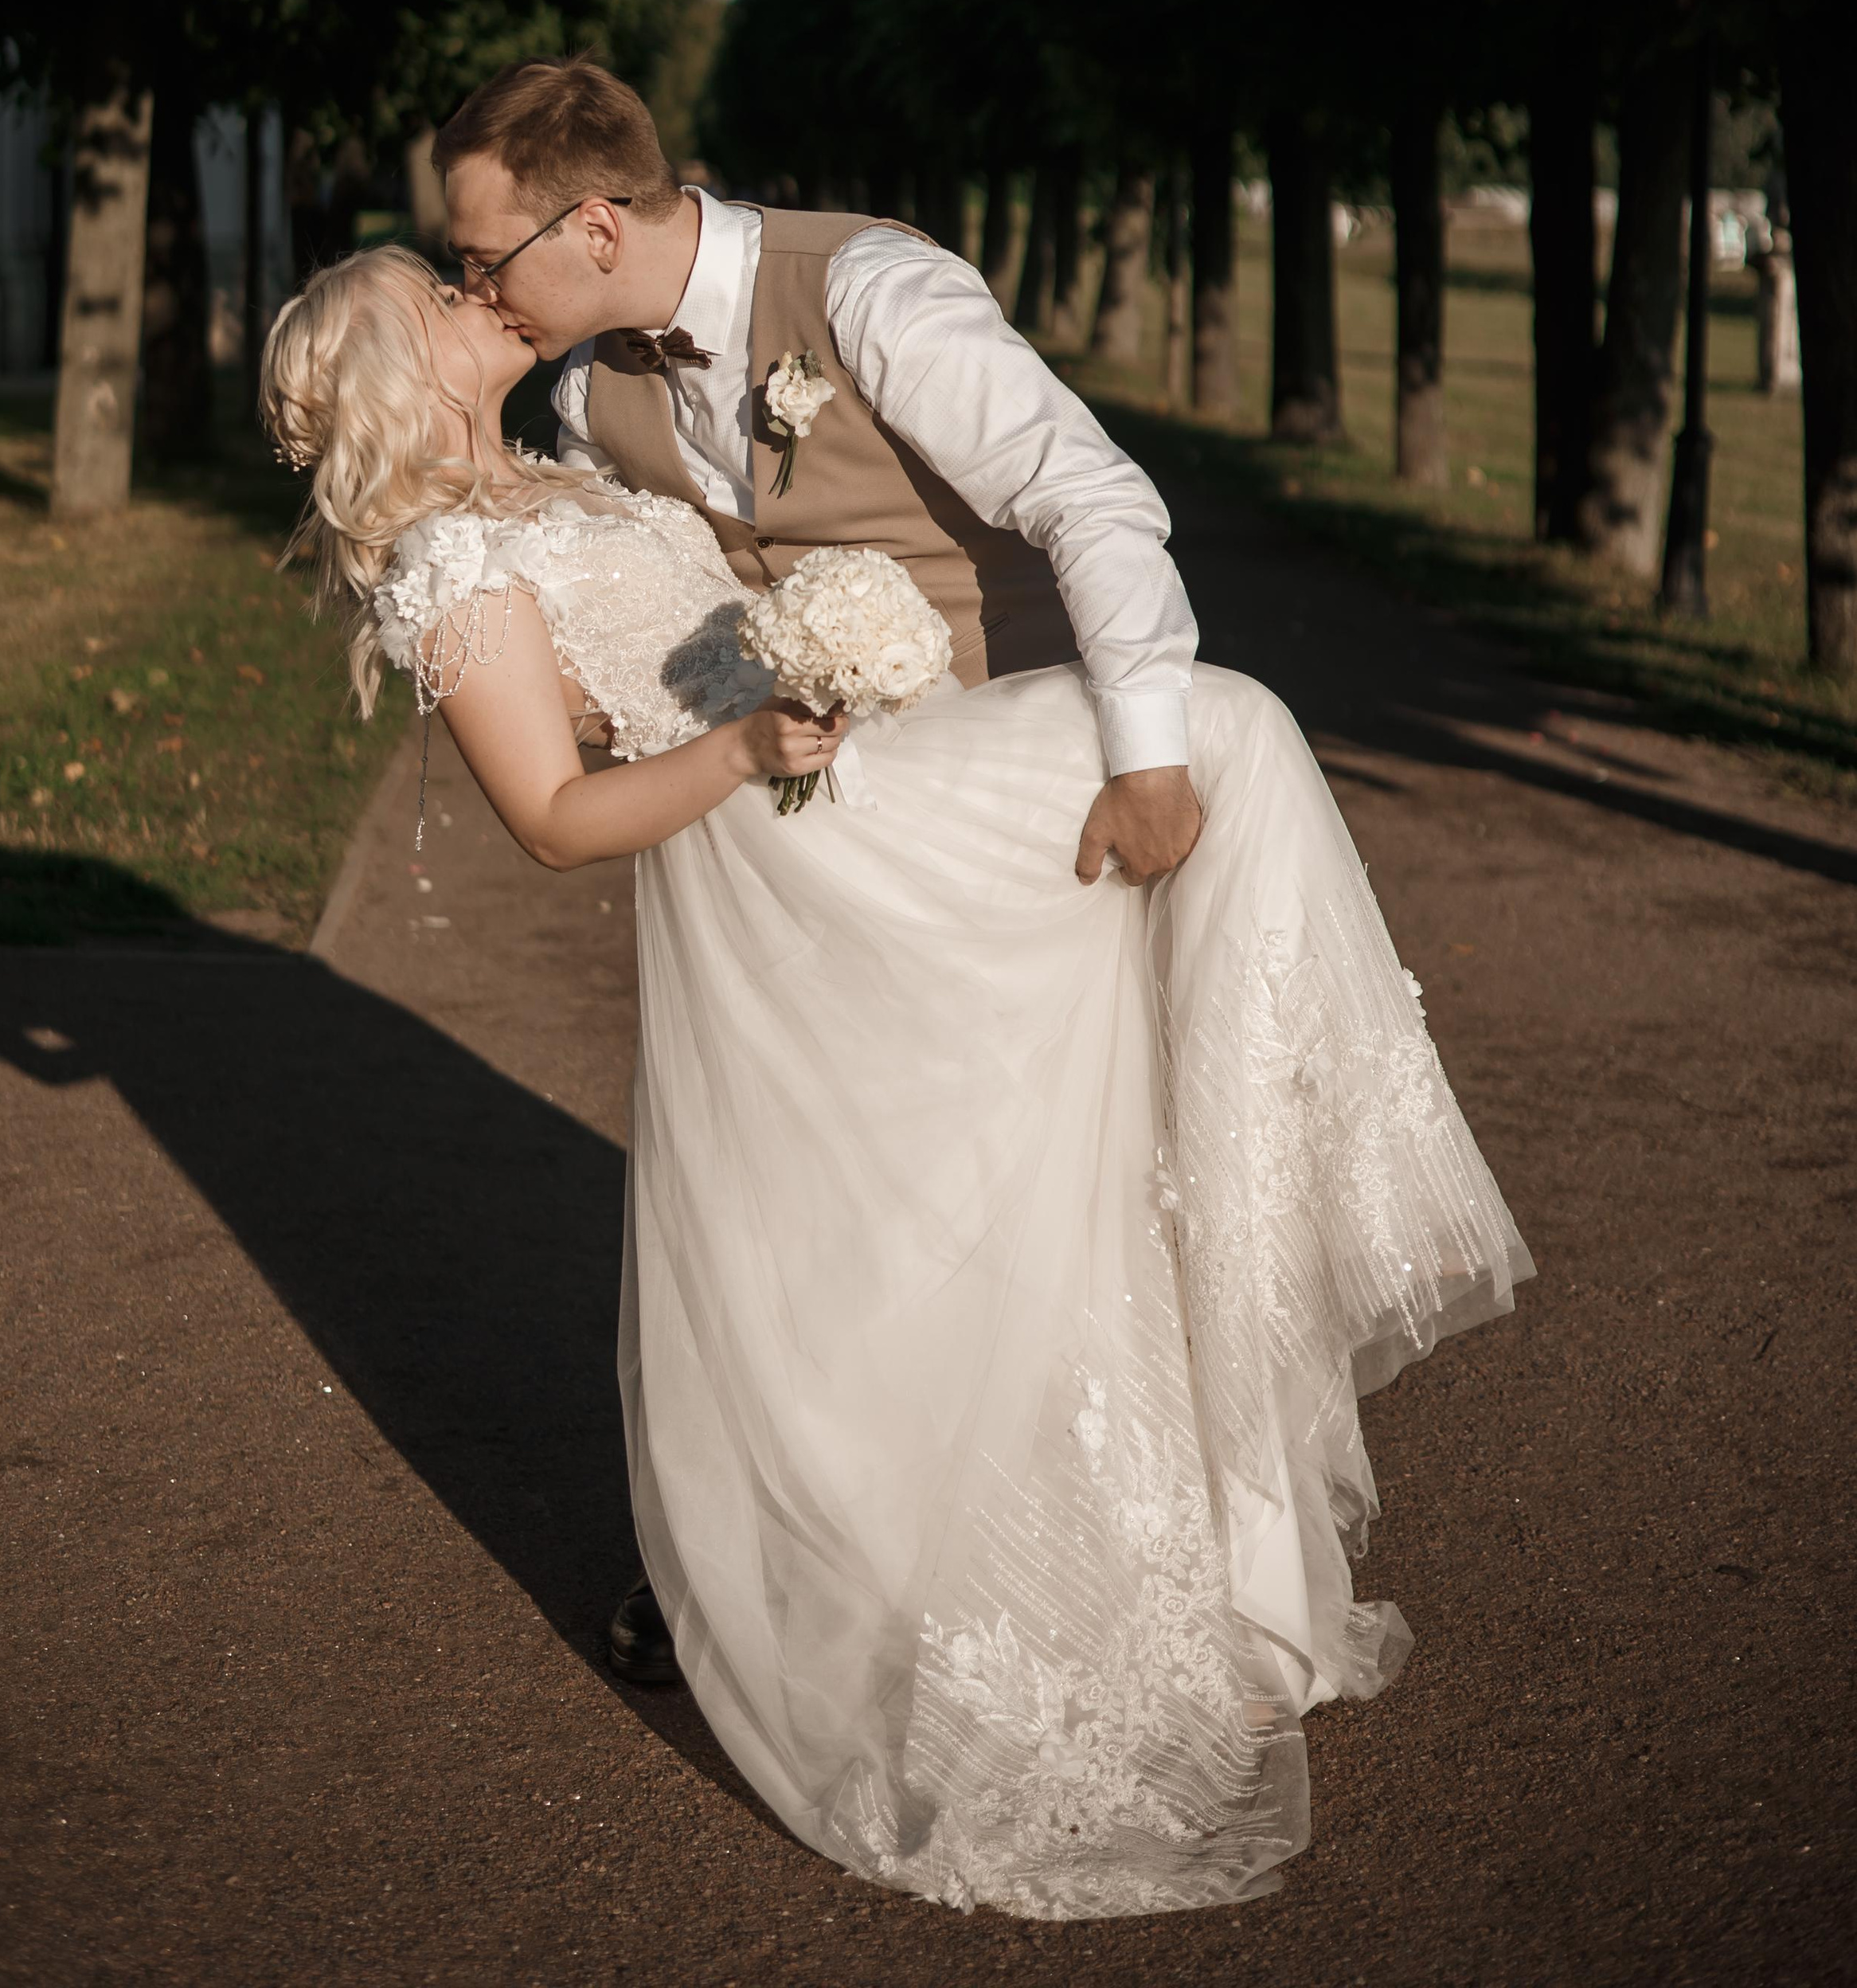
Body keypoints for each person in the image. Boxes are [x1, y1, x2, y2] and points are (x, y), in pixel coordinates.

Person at [258, 108, 1531, 1921]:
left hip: (853, 781)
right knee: (895, 1200)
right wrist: (741, 734)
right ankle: (813, 1575)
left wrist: (1108, 747)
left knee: (1105, 1008)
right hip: (786, 818)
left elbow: (1074, 496)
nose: (480, 291)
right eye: (448, 288)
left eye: (484, 262)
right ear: (410, 362)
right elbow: (548, 812)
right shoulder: (489, 514)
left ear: (592, 225)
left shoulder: (801, 318)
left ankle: (1232, 1368)